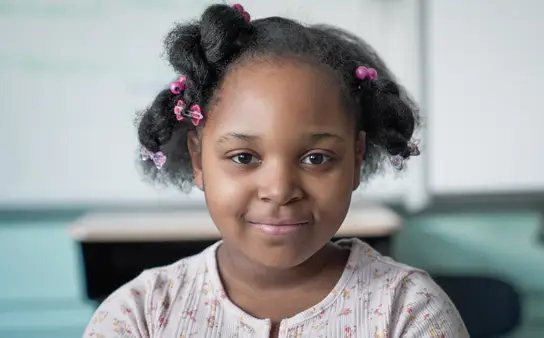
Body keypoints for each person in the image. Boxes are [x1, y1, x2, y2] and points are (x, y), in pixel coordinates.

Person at [83, 3, 468, 337]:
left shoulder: (409, 311)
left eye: (316, 158)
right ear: (199, 160)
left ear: (355, 158)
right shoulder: (140, 316)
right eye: (244, 157)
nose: (280, 189)